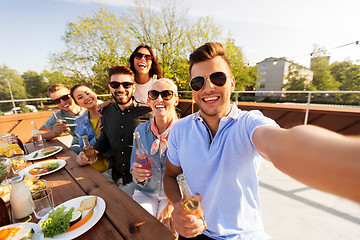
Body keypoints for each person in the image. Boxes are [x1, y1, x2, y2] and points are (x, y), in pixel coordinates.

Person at [163, 42, 360, 240]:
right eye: (198, 82)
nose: (208, 87)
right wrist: (179, 205)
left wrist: (345, 159)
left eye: (218, 78)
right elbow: (170, 176)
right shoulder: (180, 129)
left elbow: (283, 144)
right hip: (198, 232)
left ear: (231, 83)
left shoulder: (248, 123)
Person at [76, 65, 152, 196]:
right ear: (110, 87)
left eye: (126, 84)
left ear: (133, 87)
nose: (121, 89)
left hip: (140, 179)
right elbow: (104, 140)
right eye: (115, 84)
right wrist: (89, 154)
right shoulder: (106, 111)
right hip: (115, 175)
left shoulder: (148, 112)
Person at [130, 78, 178, 219]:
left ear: (175, 100)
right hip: (146, 192)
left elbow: (192, 174)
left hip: (173, 194)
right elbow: (133, 170)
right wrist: (138, 176)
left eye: (166, 94)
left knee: (167, 229)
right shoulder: (139, 131)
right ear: (148, 100)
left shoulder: (185, 131)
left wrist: (173, 203)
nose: (159, 99)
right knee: (142, 227)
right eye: (154, 94)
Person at [70, 85, 110, 173]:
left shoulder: (111, 111)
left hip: (111, 164)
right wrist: (97, 137)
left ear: (94, 93)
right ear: (77, 103)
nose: (87, 98)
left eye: (88, 93)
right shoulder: (80, 121)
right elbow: (83, 147)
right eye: (80, 97)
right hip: (89, 166)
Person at [39, 84, 86, 154]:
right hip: (78, 146)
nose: (63, 102)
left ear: (72, 95)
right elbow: (38, 134)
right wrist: (54, 133)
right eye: (57, 101)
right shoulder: (58, 116)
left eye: (65, 97)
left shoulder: (87, 105)